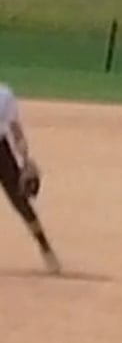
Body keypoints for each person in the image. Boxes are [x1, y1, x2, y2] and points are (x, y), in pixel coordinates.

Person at [0, 81, 61, 274]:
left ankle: (45, 247)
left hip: (1, 153)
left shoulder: (4, 95)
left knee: (21, 201)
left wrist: (25, 158)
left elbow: (15, 130)